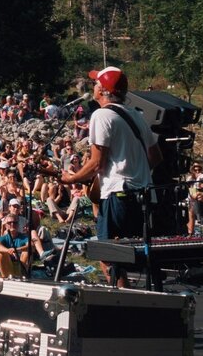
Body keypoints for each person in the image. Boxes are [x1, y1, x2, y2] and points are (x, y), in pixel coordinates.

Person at [60, 66, 162, 287]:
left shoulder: (101, 114)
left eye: (96, 83)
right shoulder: (136, 115)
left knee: (108, 255)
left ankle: (123, 300)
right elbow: (156, 157)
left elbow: (97, 162)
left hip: (119, 194)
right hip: (143, 195)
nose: (94, 87)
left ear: (104, 90)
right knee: (136, 254)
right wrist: (137, 171)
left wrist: (71, 179)